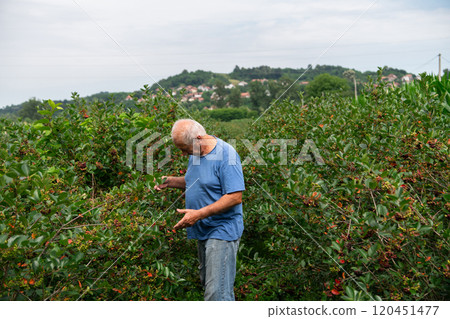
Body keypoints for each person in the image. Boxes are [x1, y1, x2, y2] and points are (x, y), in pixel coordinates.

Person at [154, 119, 245, 301]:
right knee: (210, 286)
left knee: (216, 293)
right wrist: (169, 182)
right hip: (203, 230)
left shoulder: (227, 155)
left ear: (198, 138)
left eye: (184, 149)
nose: (183, 153)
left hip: (222, 230)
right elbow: (195, 181)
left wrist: (198, 214)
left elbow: (235, 196)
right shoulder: (195, 153)